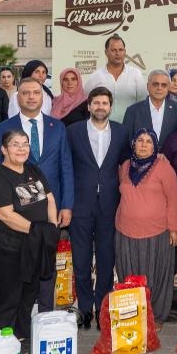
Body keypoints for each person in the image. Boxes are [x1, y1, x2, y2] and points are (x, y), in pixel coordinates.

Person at [0, 130, 59, 343]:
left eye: (25, 144)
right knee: (9, 296)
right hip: (10, 249)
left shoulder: (33, 170)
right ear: (4, 149)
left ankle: (23, 337)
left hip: (35, 246)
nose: (21, 148)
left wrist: (52, 227)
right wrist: (38, 231)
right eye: (15, 144)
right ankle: (5, 340)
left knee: (28, 295)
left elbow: (50, 199)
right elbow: (5, 215)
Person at [65, 87, 125, 329]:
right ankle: (84, 308)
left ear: (111, 107)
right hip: (80, 205)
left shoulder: (121, 132)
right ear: (88, 106)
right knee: (80, 261)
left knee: (106, 258)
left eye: (105, 103)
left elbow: (128, 163)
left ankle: (103, 308)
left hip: (110, 205)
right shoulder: (72, 132)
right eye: (96, 103)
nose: (100, 107)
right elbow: (66, 168)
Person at [115, 129, 177, 322]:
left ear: (155, 146)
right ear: (133, 144)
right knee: (129, 274)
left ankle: (155, 317)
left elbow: (173, 199)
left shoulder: (163, 167)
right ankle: (133, 316)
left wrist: (175, 228)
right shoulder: (126, 166)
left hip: (156, 233)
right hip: (125, 232)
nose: (144, 145)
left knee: (156, 277)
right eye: (140, 141)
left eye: (148, 141)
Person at [0, 77, 74, 229]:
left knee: (49, 251)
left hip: (52, 205)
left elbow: (66, 168)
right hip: (18, 210)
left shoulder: (57, 127)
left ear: (42, 97)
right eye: (26, 93)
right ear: (17, 97)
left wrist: (67, 205)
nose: (31, 97)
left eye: (36, 92)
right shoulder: (3, 128)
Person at [83, 34, 147, 122]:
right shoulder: (95, 77)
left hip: (130, 128)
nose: (118, 53)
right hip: (103, 128)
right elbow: (87, 103)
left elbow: (143, 104)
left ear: (125, 51)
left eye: (121, 50)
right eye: (113, 50)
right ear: (106, 53)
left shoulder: (136, 74)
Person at [123, 70, 177, 149]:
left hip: (169, 160)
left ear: (168, 87)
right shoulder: (132, 111)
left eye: (164, 85)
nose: (159, 88)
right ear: (148, 86)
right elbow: (125, 143)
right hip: (140, 160)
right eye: (155, 84)